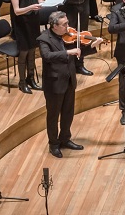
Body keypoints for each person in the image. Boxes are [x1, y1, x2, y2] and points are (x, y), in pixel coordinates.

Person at [38, 11, 91, 158]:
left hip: (69, 80)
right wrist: (68, 53)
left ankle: (65, 138)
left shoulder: (68, 36)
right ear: (54, 26)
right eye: (64, 24)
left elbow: (80, 51)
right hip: (54, 84)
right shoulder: (44, 39)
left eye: (67, 23)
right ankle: (53, 144)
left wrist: (93, 45)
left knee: (68, 112)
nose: (68, 26)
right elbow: (47, 56)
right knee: (53, 116)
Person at [9, 0, 43, 93]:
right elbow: (17, 10)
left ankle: (31, 78)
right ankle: (22, 82)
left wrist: (51, 1)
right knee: (24, 52)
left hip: (33, 20)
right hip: (22, 23)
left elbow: (39, 0)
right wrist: (31, 7)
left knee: (33, 50)